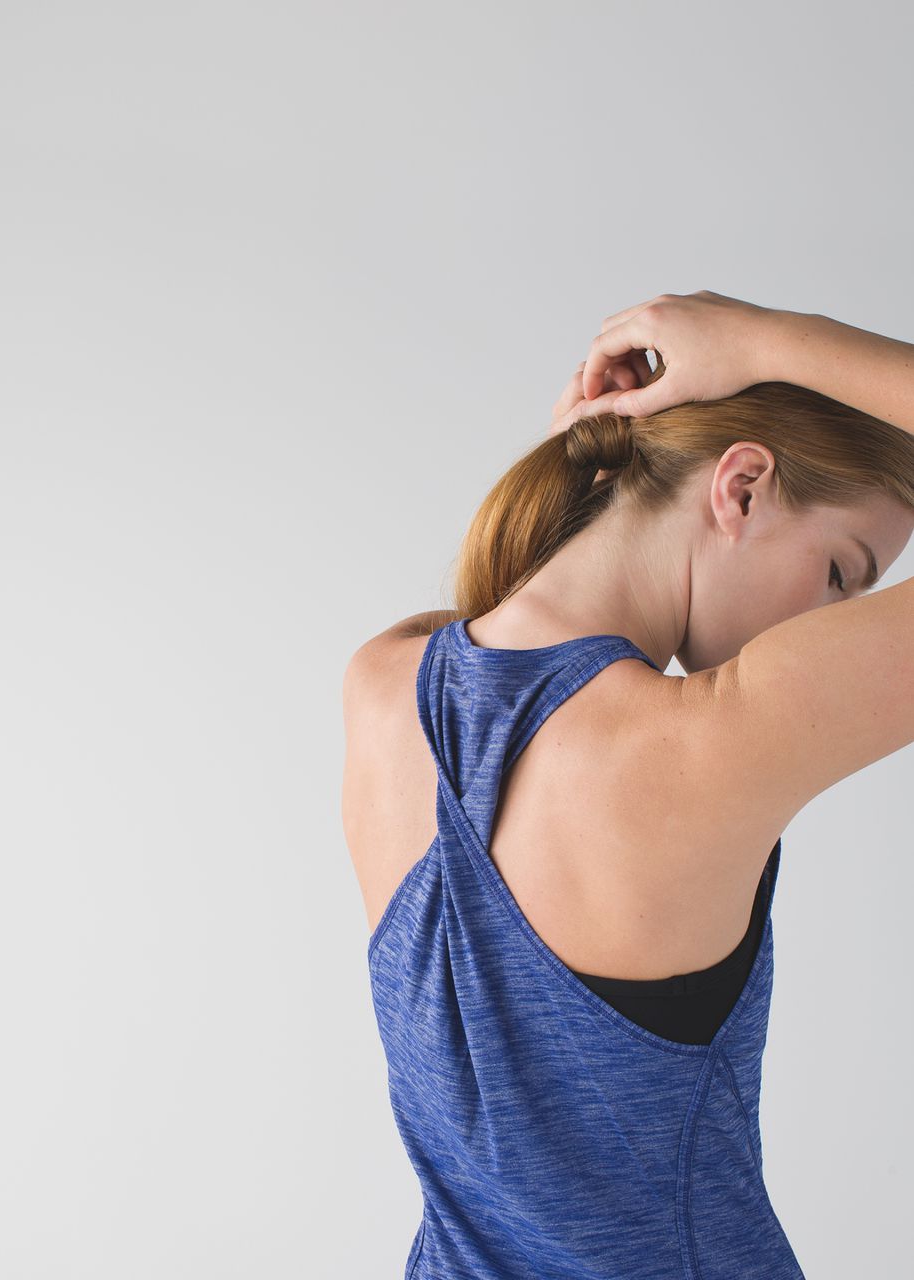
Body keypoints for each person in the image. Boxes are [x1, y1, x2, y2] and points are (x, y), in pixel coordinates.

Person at [341, 290, 914, 1279]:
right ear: (739, 487)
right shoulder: (709, 740)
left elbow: (525, 617)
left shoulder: (381, 681)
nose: (829, 617)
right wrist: (756, 340)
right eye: (838, 571)